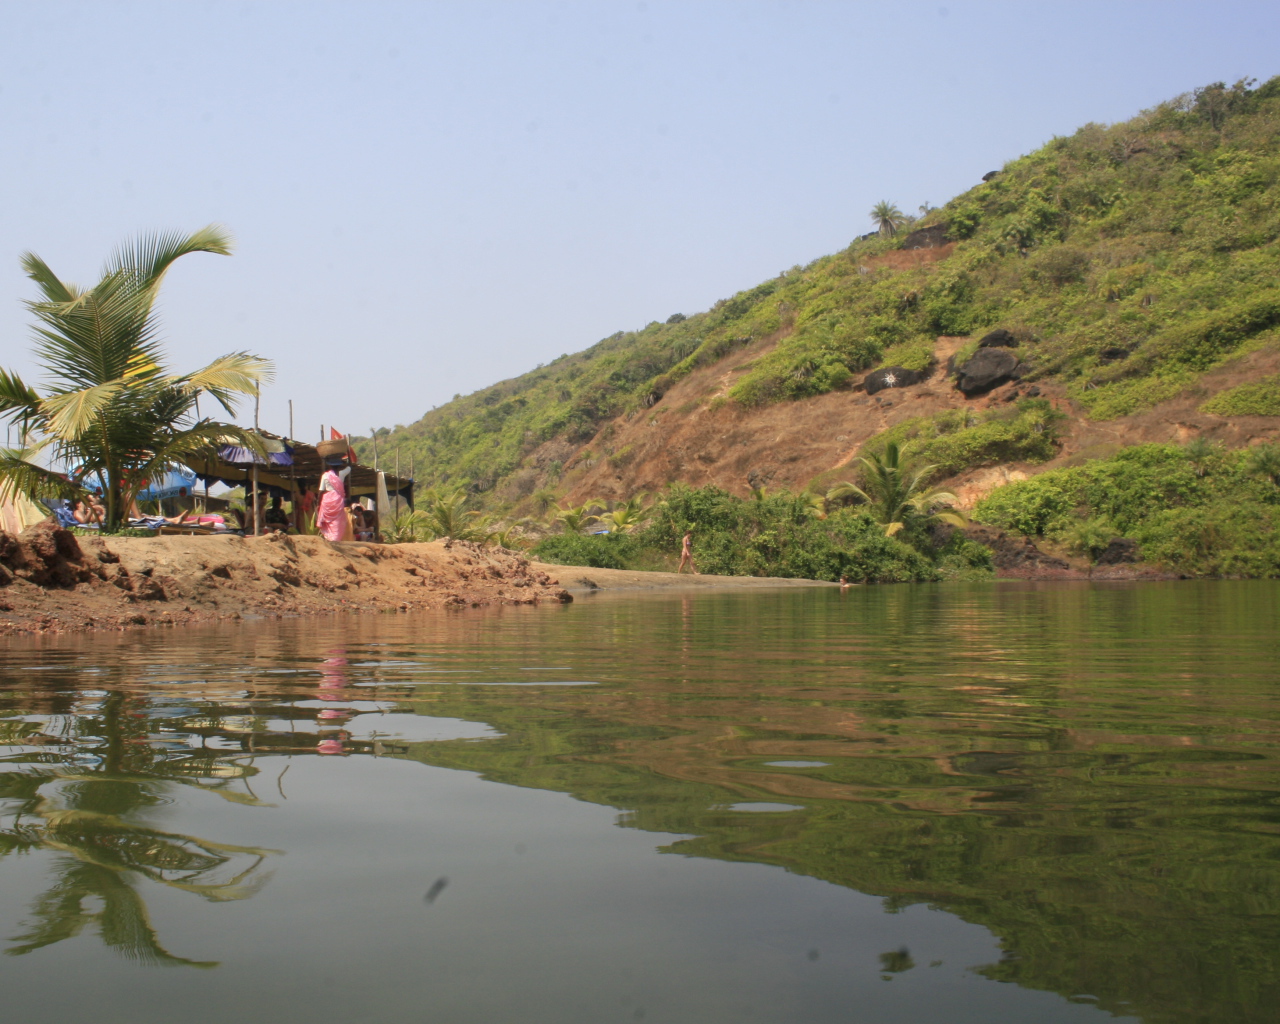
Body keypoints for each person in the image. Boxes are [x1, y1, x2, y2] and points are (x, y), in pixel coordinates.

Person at [316, 457, 353, 542]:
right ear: (339, 466)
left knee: (328, 521)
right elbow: (350, 466)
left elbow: (321, 490)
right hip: (338, 499)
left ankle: (329, 538)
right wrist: (349, 456)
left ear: (329, 466)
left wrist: (318, 503)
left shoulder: (325, 475)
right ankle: (336, 538)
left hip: (327, 499)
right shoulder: (342, 473)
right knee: (337, 521)